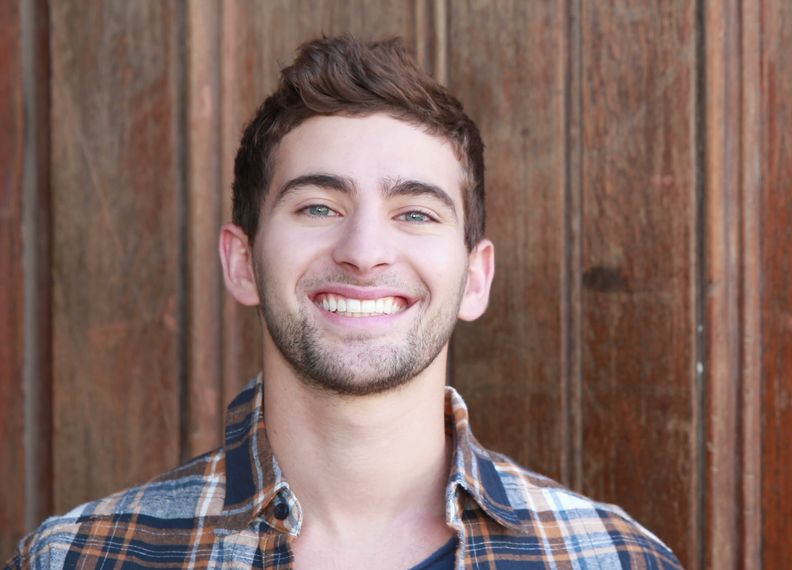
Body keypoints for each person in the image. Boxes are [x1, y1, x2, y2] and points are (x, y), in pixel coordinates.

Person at [5, 35, 681, 569]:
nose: (363, 251)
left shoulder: (616, 559)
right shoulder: (77, 558)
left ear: (477, 279)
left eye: (415, 213)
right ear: (242, 262)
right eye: (320, 205)